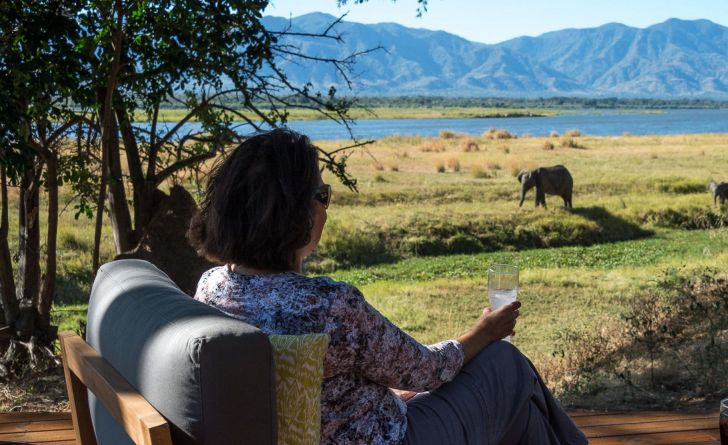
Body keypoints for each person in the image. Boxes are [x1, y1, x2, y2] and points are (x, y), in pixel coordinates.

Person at [188, 129, 588, 445]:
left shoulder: (212, 286)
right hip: (392, 437)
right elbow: (427, 371)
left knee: (521, 415)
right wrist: (484, 333)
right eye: (321, 196)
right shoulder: (330, 305)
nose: (325, 207)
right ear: (295, 214)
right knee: (506, 365)